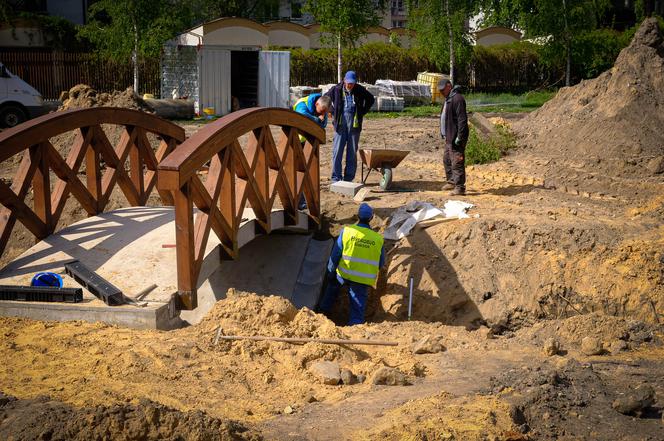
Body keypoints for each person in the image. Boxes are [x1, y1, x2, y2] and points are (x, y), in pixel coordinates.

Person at [318, 203, 385, 325]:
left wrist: (330, 272)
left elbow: (335, 255)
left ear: (358, 216)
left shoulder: (347, 232)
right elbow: (381, 262)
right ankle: (355, 327)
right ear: (371, 218)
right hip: (363, 279)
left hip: (344, 274)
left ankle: (322, 313)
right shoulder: (378, 238)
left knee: (332, 287)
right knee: (358, 304)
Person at [324, 71, 375, 183]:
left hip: (354, 126)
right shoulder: (336, 89)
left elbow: (371, 99)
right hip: (340, 125)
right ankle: (336, 178)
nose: (350, 85)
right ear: (344, 80)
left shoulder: (359, 89)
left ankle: (348, 178)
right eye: (348, 83)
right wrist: (331, 111)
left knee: (352, 153)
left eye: (352, 83)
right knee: (337, 152)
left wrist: (362, 111)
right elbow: (325, 98)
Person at [292, 93, 331, 209]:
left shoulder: (322, 106)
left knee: (307, 171)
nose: (322, 114)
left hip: (308, 143)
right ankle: (297, 202)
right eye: (321, 111)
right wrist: (316, 119)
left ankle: (304, 202)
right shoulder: (301, 104)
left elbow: (323, 124)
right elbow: (303, 115)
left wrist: (320, 119)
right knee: (297, 171)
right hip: (294, 141)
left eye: (324, 112)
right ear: (316, 104)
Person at [438, 79, 469, 195]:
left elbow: (462, 120)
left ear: (449, 86)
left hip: (456, 136)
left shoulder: (457, 99)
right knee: (447, 159)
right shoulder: (448, 99)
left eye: (442, 89)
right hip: (449, 136)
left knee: (457, 162)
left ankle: (460, 187)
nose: (441, 92)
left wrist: (460, 137)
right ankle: (451, 181)